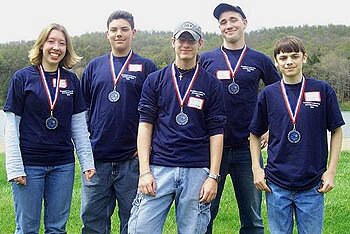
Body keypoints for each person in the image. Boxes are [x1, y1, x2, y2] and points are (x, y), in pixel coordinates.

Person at [127, 21, 226, 233]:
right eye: (182, 39)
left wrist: (213, 177)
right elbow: (145, 126)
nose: (186, 44)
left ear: (201, 43)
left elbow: (216, 133)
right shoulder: (155, 80)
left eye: (192, 40)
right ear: (173, 42)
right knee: (141, 229)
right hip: (159, 168)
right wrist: (144, 171)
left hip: (197, 170)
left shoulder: (212, 84)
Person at [4, 23, 95, 233]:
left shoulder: (72, 80)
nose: (56, 47)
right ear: (42, 45)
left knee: (57, 228)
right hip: (30, 164)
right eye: (51, 41)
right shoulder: (22, 78)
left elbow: (79, 127)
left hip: (62, 166)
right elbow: (11, 127)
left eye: (62, 43)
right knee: (27, 228)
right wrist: (15, 167)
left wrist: (87, 162)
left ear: (67, 48)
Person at [249, 36, 344, 233]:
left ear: (304, 58)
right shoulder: (268, 94)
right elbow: (254, 134)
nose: (289, 61)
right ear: (276, 61)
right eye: (283, 58)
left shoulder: (322, 90)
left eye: (295, 56)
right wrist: (257, 169)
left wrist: (331, 171)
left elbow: (336, 131)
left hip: (312, 184)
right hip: (276, 184)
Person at [199, 3, 281, 233]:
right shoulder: (206, 60)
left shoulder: (259, 60)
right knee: (204, 211)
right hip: (213, 148)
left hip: (248, 149)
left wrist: (270, 128)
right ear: (219, 28)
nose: (228, 25)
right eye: (223, 22)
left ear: (244, 23)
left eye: (233, 20)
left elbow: (280, 96)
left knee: (252, 216)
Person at [80, 10, 157, 234]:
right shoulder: (94, 67)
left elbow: (157, 114)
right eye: (114, 30)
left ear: (133, 32)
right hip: (97, 160)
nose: (119, 34)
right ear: (107, 34)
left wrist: (147, 149)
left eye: (124, 29)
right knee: (93, 221)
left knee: (133, 220)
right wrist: (85, 146)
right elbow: (82, 110)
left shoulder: (147, 68)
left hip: (131, 161)